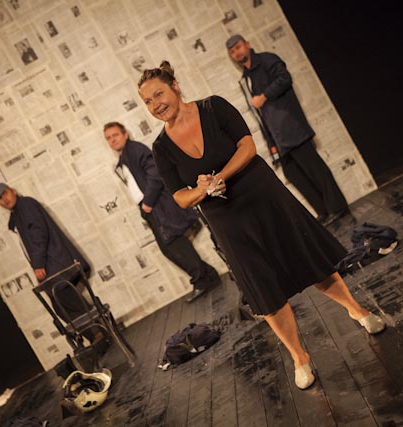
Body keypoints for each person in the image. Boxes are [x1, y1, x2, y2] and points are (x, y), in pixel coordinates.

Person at [138, 62, 385, 390]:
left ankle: (357, 310)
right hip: (226, 219)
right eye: (148, 101)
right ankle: (299, 356)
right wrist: (201, 190)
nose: (156, 104)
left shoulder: (213, 107)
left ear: (175, 87)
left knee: (308, 258)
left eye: (159, 94)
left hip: (263, 195)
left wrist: (219, 177)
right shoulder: (161, 148)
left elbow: (248, 147)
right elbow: (180, 196)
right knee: (262, 286)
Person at [226, 34, 349, 225]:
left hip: (292, 128)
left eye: (238, 47)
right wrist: (271, 145)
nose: (236, 52)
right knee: (293, 174)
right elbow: (261, 116)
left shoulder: (267, 59)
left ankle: (338, 207)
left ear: (247, 45)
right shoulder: (246, 79)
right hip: (278, 137)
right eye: (232, 51)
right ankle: (323, 211)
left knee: (315, 169)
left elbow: (285, 78)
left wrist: (264, 96)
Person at [103, 122, 221, 303]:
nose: (112, 140)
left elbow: (155, 174)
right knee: (170, 247)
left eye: (115, 135)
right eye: (108, 138)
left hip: (157, 205)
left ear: (125, 134)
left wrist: (148, 203)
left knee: (173, 244)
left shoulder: (135, 149)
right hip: (151, 207)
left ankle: (203, 280)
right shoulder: (125, 157)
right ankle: (208, 276)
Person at [0, 183, 100, 344]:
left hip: (56, 263)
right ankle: (97, 334)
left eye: (5, 194)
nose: (4, 199)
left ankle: (99, 333)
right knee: (62, 306)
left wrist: (38, 264)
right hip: (51, 265)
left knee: (68, 302)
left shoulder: (25, 205)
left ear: (13, 191)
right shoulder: (18, 213)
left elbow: (38, 234)